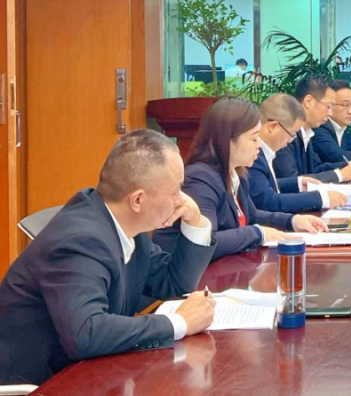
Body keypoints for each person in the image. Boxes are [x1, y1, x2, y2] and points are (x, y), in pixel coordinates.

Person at [0, 130, 217, 385]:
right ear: (138, 200)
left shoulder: (125, 227)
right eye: (175, 190)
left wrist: (195, 221)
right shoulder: (81, 241)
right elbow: (86, 333)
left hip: (89, 374)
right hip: (41, 384)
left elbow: (174, 283)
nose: (181, 200)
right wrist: (179, 322)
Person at [152, 97, 328, 261]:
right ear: (228, 139)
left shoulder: (237, 173)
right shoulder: (199, 179)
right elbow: (206, 241)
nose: (258, 145)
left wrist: (292, 221)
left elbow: (252, 215)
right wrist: (257, 233)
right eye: (253, 138)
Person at [249, 93, 349, 213]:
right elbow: (267, 201)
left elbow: (266, 186)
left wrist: (298, 183)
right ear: (273, 127)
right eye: (292, 134)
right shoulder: (252, 155)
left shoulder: (265, 152)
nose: (291, 140)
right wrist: (320, 198)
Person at [273, 75, 351, 181]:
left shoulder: (306, 132)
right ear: (308, 102)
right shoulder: (285, 132)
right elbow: (293, 181)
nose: (330, 113)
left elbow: (316, 169)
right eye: (328, 106)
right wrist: (339, 175)